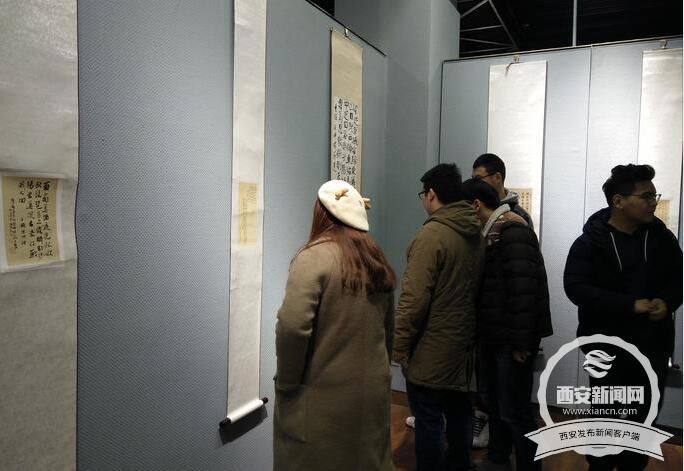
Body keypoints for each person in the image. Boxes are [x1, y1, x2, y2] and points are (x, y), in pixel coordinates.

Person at [564, 164, 682, 471]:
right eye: (646, 196)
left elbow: (679, 278)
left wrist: (667, 301)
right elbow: (576, 288)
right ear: (618, 201)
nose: (653, 202)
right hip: (607, 349)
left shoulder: (662, 238)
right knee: (606, 417)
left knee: (643, 419)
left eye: (654, 195)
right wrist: (629, 305)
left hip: (653, 348)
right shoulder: (590, 242)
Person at [274, 180, 396, 471]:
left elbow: (292, 327)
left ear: (321, 214)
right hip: (371, 394)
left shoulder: (313, 257)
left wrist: (288, 383)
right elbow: (387, 329)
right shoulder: (376, 259)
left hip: (322, 399)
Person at [393, 163, 485, 471]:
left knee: (428, 417)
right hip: (463, 344)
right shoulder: (474, 231)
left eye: (423, 195)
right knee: (459, 411)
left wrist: (399, 347)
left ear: (431, 194)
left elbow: (414, 299)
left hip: (431, 345)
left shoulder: (432, 235)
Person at [461, 179, 552, 471]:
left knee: (515, 410)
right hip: (494, 335)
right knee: (496, 405)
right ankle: (498, 460)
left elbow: (524, 292)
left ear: (476, 205)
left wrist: (522, 344)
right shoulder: (493, 231)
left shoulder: (512, 231)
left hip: (511, 341)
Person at [472, 153, 534, 229]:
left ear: (497, 177)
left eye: (478, 179)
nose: (474, 183)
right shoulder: (474, 208)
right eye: (473, 179)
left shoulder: (521, 215)